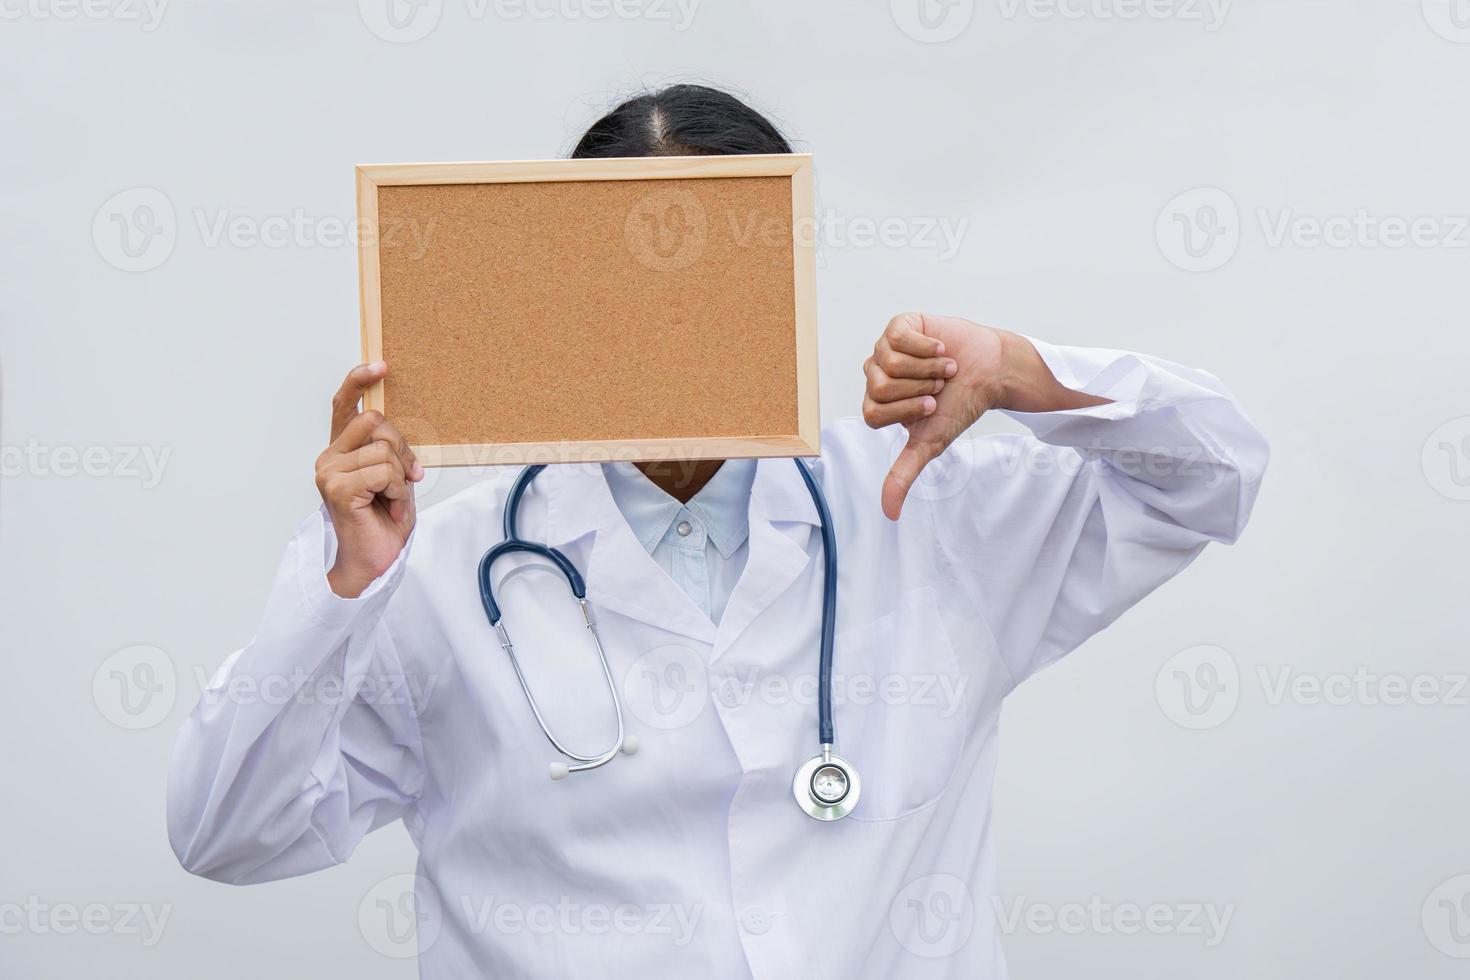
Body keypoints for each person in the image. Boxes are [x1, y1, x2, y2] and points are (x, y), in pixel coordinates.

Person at [167, 84, 1268, 978]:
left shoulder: (924, 503)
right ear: (561, 293)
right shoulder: (438, 572)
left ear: (782, 277)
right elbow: (226, 831)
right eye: (625, 277)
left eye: (709, 271)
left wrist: (1030, 373)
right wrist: (339, 588)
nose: (668, 316)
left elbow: (1213, 473)